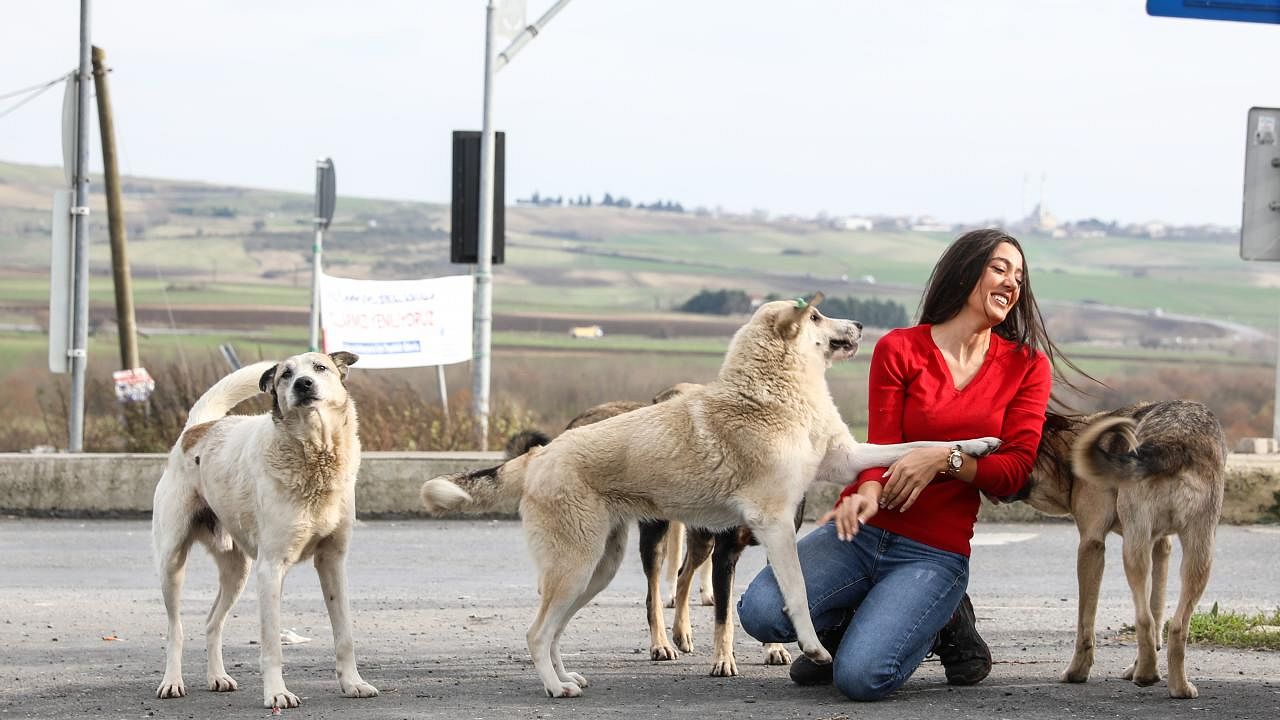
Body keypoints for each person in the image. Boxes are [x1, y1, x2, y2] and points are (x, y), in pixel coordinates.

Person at [738, 228, 1072, 701]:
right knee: (762, 613)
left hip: (933, 552)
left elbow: (1013, 471)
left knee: (860, 679)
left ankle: (941, 619)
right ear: (965, 272)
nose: (1012, 283)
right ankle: (867, 625)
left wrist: (946, 458)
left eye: (1019, 276)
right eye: (1000, 268)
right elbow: (882, 446)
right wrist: (868, 490)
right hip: (861, 535)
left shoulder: (1026, 366)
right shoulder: (901, 348)